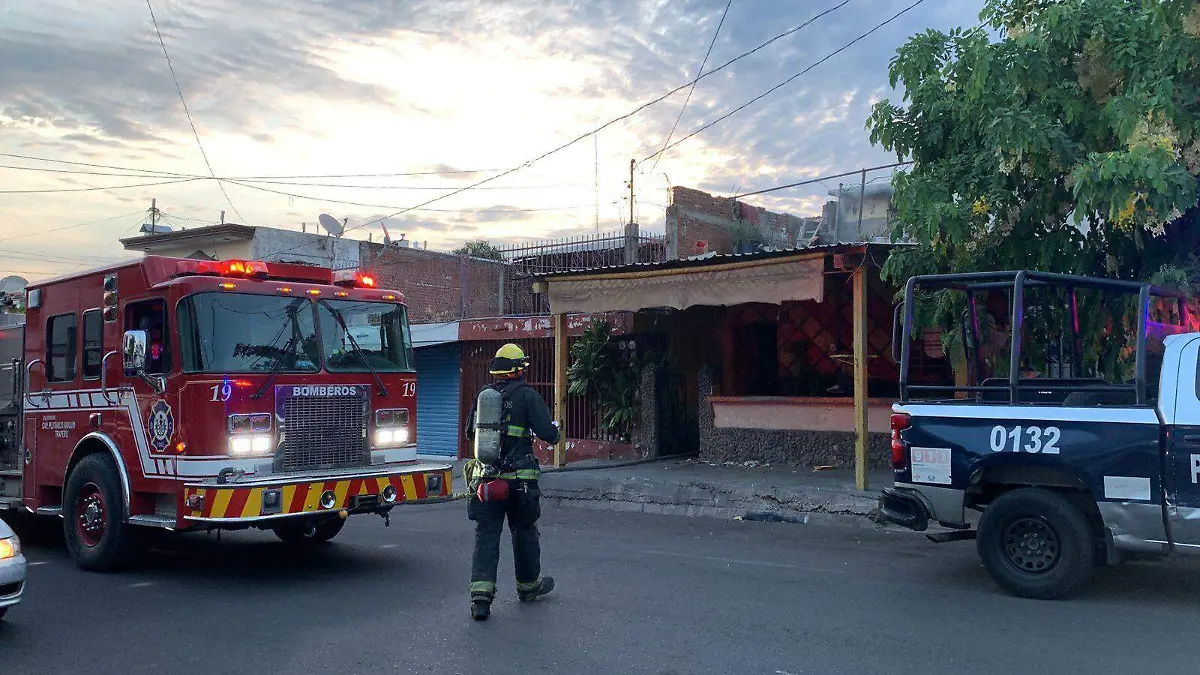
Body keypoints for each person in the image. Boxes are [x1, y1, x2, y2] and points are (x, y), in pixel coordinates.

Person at [463, 343, 560, 621]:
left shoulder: (484, 396)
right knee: (524, 531)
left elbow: (470, 433)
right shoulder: (528, 396)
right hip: (520, 483)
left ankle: (480, 599)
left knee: (486, 535)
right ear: (519, 369)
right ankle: (528, 587)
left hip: (487, 481)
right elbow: (549, 435)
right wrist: (555, 429)